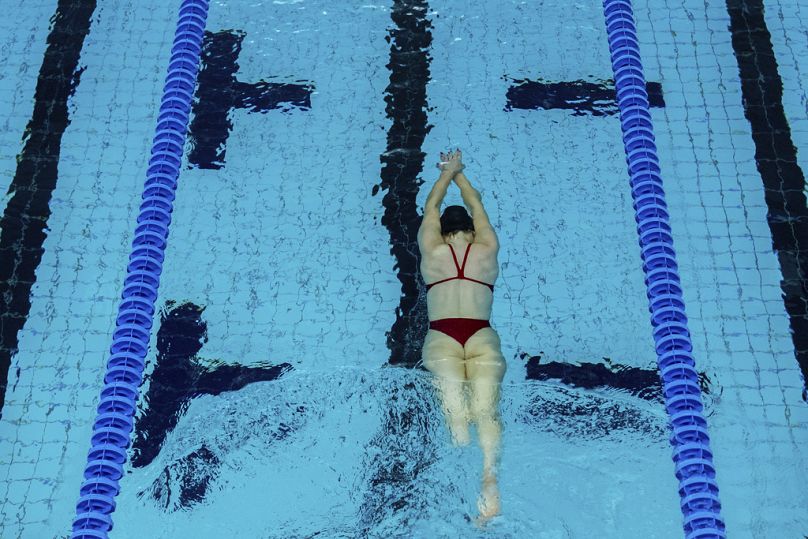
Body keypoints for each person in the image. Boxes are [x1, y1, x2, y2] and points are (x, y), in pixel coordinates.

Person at [417, 149, 507, 526]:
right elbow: (476, 203)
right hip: (481, 335)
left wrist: (446, 173)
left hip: (442, 337)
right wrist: (461, 176)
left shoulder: (433, 250)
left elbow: (430, 208)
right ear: (471, 230)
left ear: (442, 231)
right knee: (486, 411)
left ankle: (460, 491)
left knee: (456, 416)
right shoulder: (487, 249)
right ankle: (489, 483)